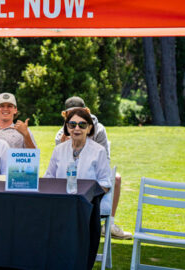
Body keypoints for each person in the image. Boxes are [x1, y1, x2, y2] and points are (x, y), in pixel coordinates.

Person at [55, 96, 132, 240]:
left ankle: (110, 224)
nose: (76, 123)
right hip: (69, 183)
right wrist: (63, 145)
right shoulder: (61, 135)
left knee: (115, 178)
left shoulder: (99, 130)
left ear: (86, 112)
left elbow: (104, 162)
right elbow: (58, 168)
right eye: (70, 116)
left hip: (93, 178)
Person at [45, 107, 111, 202]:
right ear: (67, 128)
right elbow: (49, 178)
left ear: (89, 128)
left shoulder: (99, 151)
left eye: (82, 125)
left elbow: (105, 183)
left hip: (88, 204)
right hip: (61, 202)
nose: (77, 128)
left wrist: (88, 196)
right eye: (72, 125)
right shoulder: (58, 150)